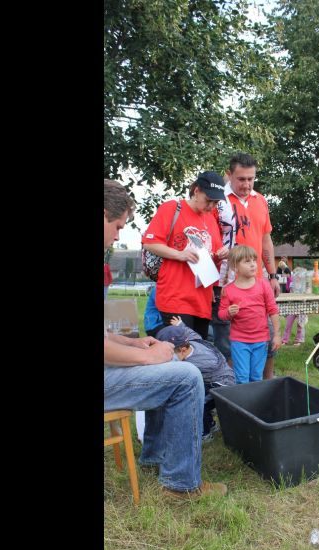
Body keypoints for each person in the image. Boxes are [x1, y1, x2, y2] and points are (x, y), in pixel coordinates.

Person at [102, 179, 227, 498]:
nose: (118, 236)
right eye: (118, 226)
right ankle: (181, 484)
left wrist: (135, 344)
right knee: (187, 376)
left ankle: (155, 456)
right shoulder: (173, 210)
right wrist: (146, 357)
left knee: (167, 360)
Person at [212, 153, 281, 377]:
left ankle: (267, 386)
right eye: (241, 179)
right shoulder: (218, 201)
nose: (247, 184)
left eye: (251, 179)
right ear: (229, 174)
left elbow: (266, 239)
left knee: (267, 338)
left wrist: (272, 275)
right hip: (226, 283)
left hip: (257, 282)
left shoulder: (260, 200)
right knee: (227, 343)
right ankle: (233, 389)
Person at [143, 171, 229, 340]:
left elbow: (212, 255)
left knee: (199, 350)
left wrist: (221, 255)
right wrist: (179, 254)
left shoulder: (211, 220)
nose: (211, 206)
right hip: (175, 296)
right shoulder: (172, 208)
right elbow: (149, 243)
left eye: (216, 202)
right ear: (196, 191)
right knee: (181, 349)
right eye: (208, 200)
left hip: (202, 300)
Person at [156, 317, 236, 440]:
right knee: (197, 397)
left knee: (196, 403)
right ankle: (211, 424)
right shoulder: (192, 341)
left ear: (182, 350)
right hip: (211, 380)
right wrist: (180, 324)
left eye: (169, 353)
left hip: (222, 387)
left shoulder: (196, 363)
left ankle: (205, 433)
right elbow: (189, 332)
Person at [218, 245, 282, 384]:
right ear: (235, 267)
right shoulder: (228, 290)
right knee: (242, 378)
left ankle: (254, 398)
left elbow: (273, 310)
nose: (253, 264)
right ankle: (242, 398)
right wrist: (228, 312)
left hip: (261, 340)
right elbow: (221, 314)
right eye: (247, 261)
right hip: (239, 342)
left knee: (256, 377)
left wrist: (277, 335)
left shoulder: (263, 285)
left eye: (254, 260)